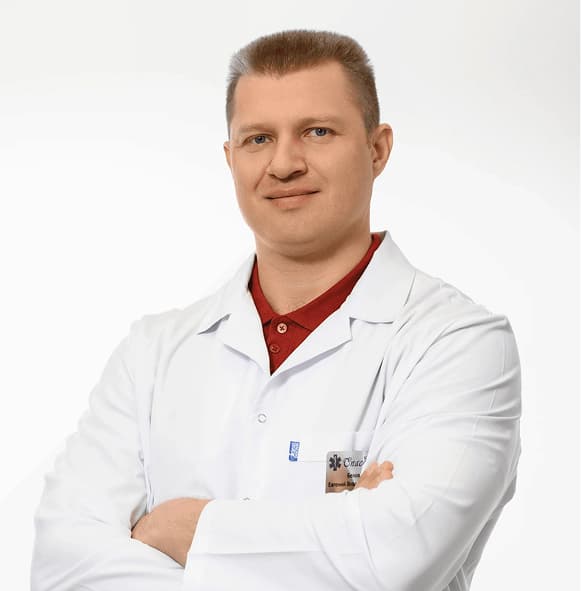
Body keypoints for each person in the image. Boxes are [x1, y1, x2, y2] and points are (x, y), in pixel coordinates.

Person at [31, 30, 521, 591]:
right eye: (258, 138)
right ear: (230, 158)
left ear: (377, 149)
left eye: (318, 131)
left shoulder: (459, 344)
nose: (284, 164)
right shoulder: (152, 353)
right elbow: (62, 566)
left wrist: (180, 529)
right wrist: (335, 536)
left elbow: (393, 561)